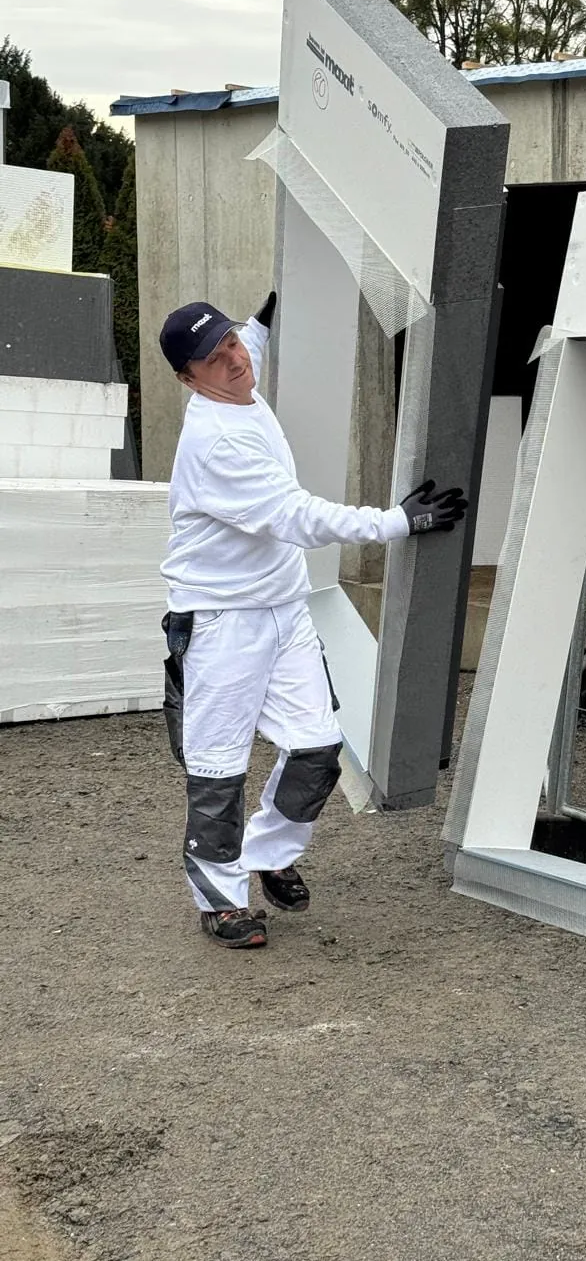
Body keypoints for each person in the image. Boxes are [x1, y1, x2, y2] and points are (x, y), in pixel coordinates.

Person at [158, 293, 467, 950]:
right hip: (221, 623)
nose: (234, 360)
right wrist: (396, 522)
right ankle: (220, 903)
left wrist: (262, 323)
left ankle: (268, 854)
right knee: (217, 768)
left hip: (284, 610)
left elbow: (248, 351)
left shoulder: (237, 379)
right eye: (214, 357)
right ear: (189, 379)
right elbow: (297, 518)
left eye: (231, 343)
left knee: (318, 749)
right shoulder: (215, 444)